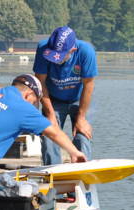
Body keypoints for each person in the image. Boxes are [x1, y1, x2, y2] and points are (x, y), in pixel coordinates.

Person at [33, 26, 97, 165]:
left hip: (78, 99)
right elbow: (40, 83)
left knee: (83, 134)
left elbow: (89, 85)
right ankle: (52, 171)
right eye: (53, 54)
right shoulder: (43, 48)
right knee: (50, 134)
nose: (55, 59)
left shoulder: (86, 51)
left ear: (72, 50)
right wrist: (50, 114)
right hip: (52, 99)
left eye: (60, 56)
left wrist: (81, 117)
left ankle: (82, 169)